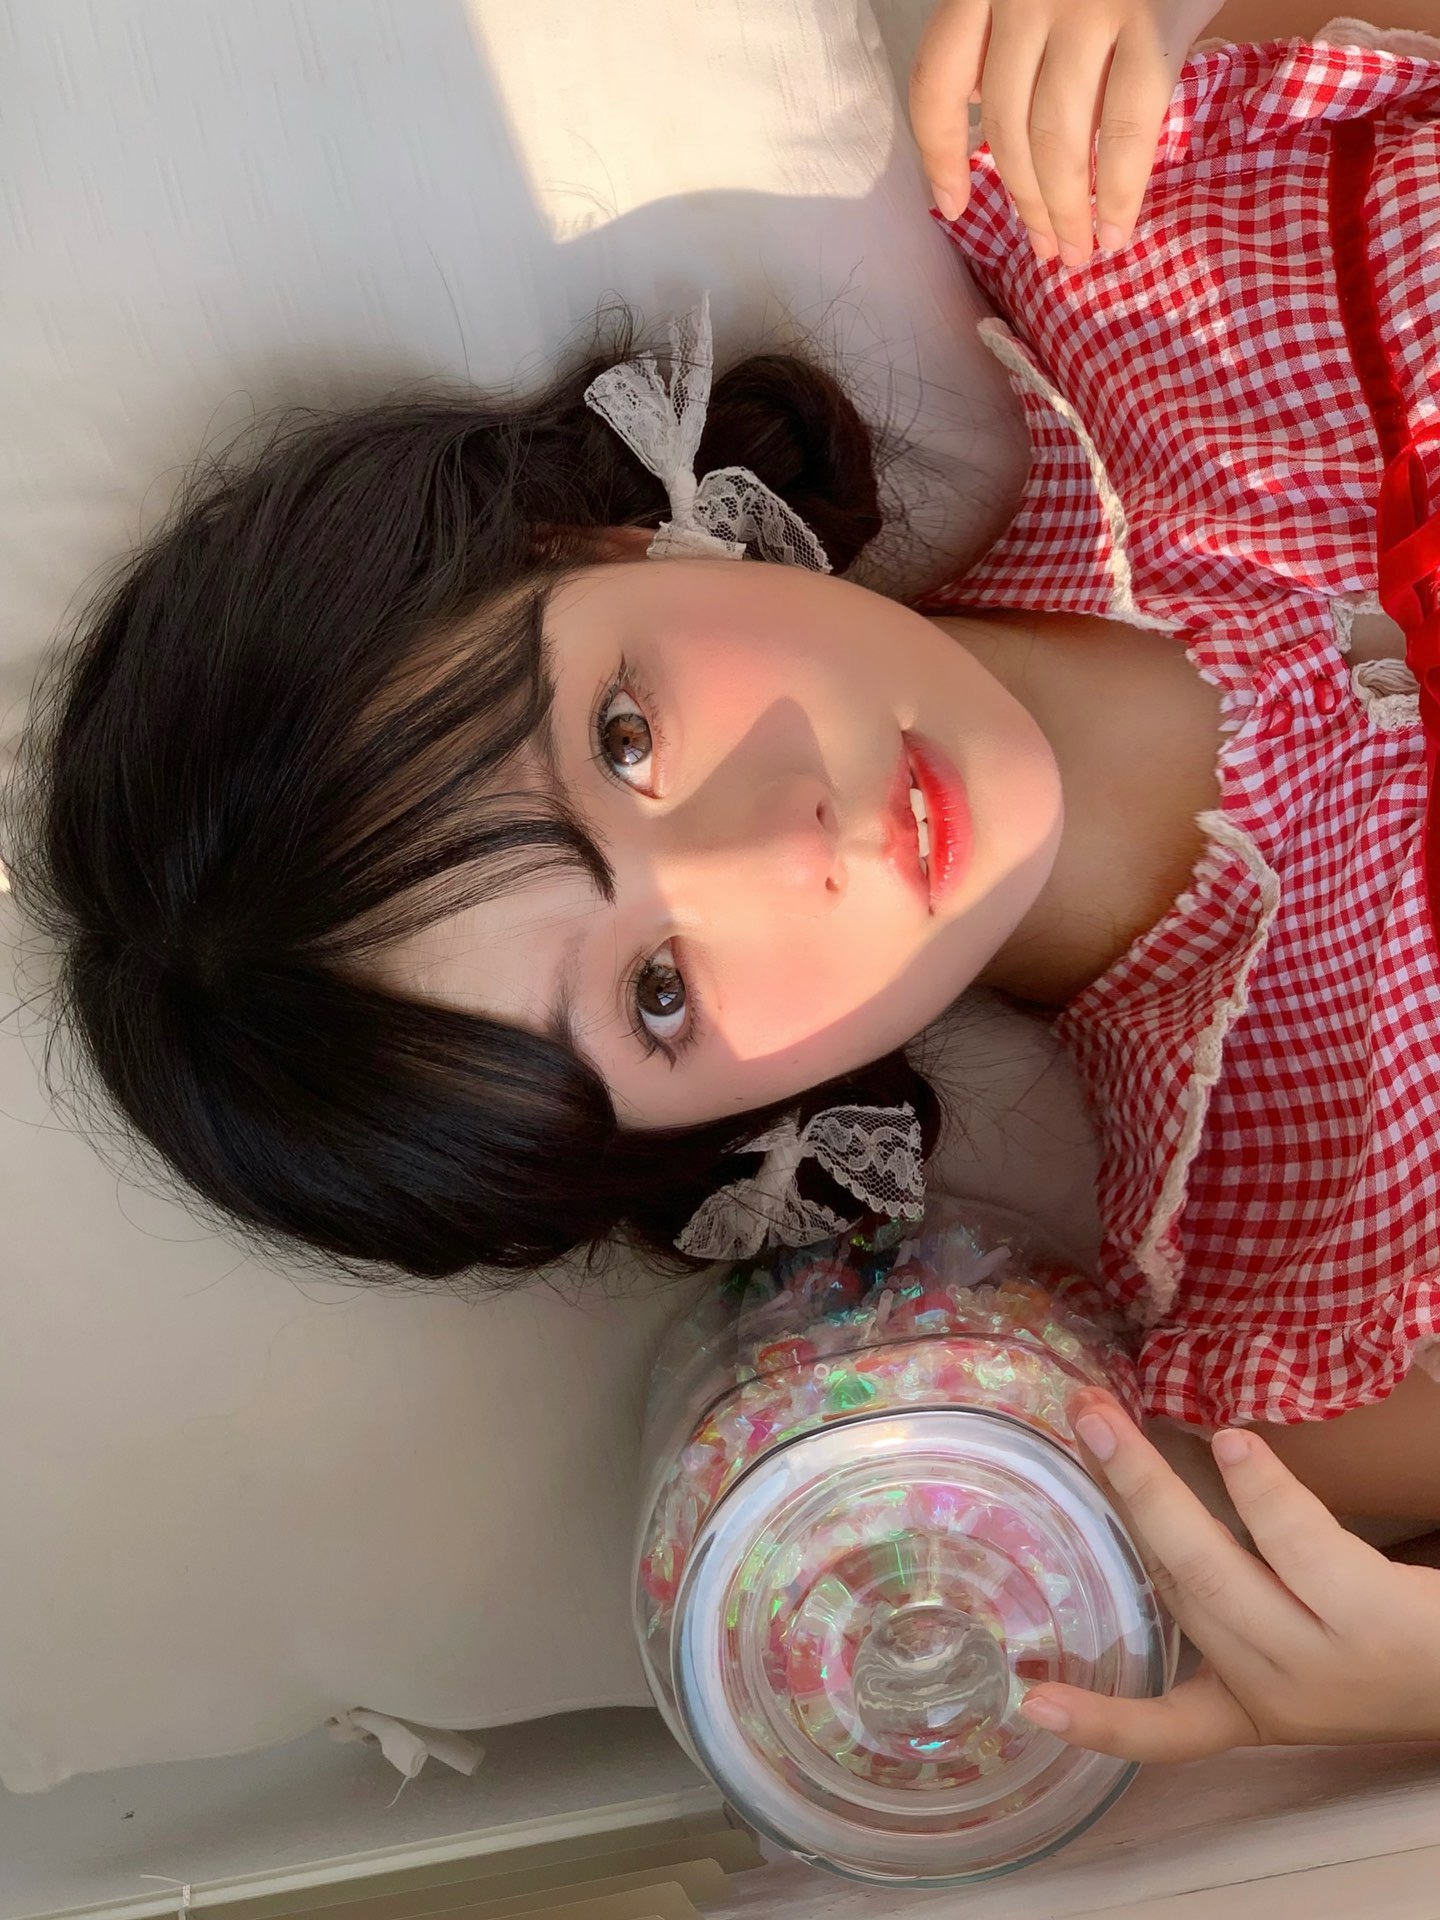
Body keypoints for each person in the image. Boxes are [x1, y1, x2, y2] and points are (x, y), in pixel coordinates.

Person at [4, 1, 1440, 1759]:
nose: (781, 846)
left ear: (597, 537)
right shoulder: (1314, 1298)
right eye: (660, 991)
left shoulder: (1148, 197)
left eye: (624, 736)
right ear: (720, 1132)